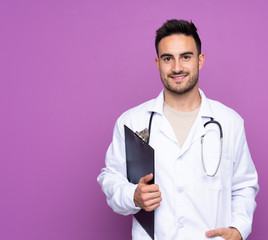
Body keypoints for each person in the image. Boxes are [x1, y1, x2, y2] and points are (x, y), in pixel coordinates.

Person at [97, 19, 259, 240]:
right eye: (167, 58)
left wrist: (238, 229)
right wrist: (132, 195)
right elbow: (110, 177)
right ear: (157, 63)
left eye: (186, 56)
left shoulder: (229, 122)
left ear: (200, 60)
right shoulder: (132, 122)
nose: (176, 68)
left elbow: (244, 186)